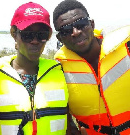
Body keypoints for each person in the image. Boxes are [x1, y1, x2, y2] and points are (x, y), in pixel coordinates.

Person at [0, 2, 71, 135]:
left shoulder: (59, 71)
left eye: (41, 35)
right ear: (14, 34)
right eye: (27, 35)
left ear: (49, 35)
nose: (34, 41)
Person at [53, 0, 130, 135]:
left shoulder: (126, 47)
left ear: (92, 24)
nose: (75, 32)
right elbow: (63, 116)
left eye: (81, 24)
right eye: (66, 30)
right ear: (60, 38)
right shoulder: (58, 70)